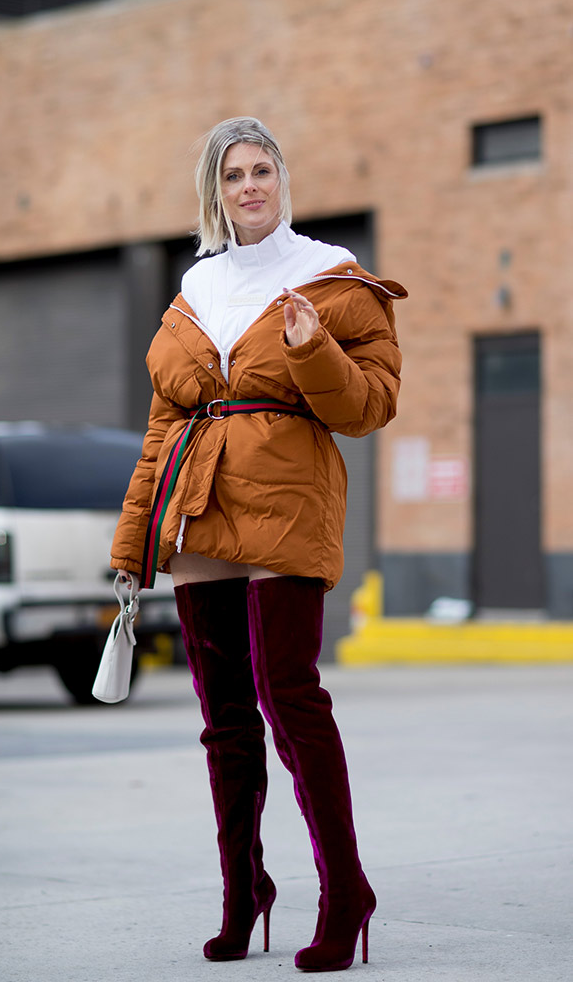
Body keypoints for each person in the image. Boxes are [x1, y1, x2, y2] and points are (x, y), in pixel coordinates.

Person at [111, 116, 405, 972]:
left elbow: (369, 407)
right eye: (233, 173)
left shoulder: (332, 280)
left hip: (286, 503)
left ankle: (344, 889)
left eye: (262, 170)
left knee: (291, 699)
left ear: (283, 179)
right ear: (215, 189)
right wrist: (132, 545)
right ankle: (245, 891)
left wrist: (314, 349)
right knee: (224, 724)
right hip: (198, 510)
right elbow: (162, 430)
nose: (249, 186)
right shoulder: (193, 292)